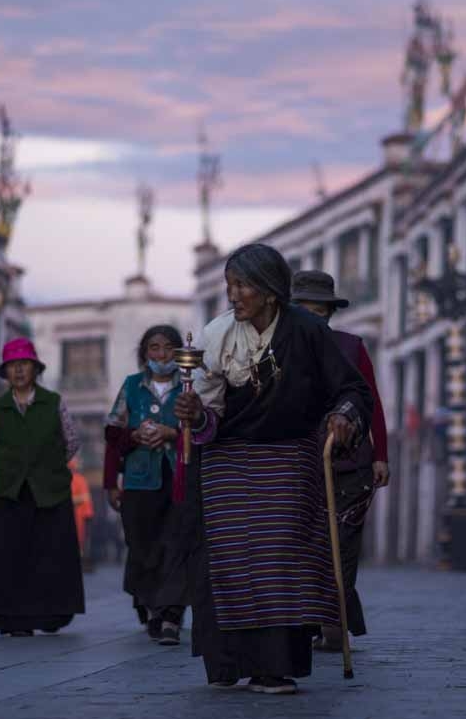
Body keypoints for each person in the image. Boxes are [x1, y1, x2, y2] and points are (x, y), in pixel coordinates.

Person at [173, 243, 372, 695]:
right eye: (229, 285)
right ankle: (232, 663)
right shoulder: (216, 335)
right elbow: (208, 417)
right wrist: (193, 414)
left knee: (282, 562)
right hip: (226, 465)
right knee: (232, 563)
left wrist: (342, 414)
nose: (233, 295)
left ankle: (276, 668)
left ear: (269, 291)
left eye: (242, 285)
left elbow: (352, 389)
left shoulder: (306, 331)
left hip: (288, 461)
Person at [289, 271, 389, 652]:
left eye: (321, 311)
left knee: (342, 545)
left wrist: (381, 455)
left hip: (350, 465)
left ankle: (335, 621)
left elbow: (372, 401)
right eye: (305, 310)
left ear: (330, 313)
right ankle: (309, 619)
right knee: (304, 547)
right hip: (298, 465)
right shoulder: (276, 352)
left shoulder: (351, 347)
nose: (315, 318)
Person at [0, 338, 85, 637]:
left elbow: (71, 440)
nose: (19, 370)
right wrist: (6, 468)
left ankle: (50, 616)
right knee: (11, 557)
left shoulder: (53, 402)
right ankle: (14, 620)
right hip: (10, 492)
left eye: (24, 364)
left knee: (49, 556)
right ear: (6, 372)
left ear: (35, 368)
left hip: (50, 491)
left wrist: (48, 467)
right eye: (13, 365)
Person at [103, 325, 189, 645]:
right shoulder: (132, 386)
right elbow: (112, 433)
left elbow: (204, 430)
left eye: (168, 348)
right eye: (154, 348)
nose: (161, 354)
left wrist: (172, 434)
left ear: (178, 353)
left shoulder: (190, 386)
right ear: (145, 353)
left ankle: (171, 616)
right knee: (143, 544)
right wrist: (134, 437)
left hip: (178, 477)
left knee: (177, 543)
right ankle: (152, 606)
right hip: (139, 480)